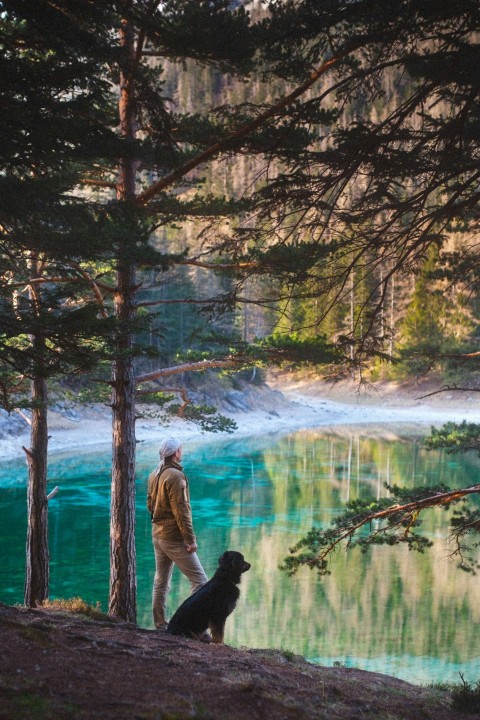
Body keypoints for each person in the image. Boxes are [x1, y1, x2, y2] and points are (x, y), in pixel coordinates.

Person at [147, 437, 208, 630]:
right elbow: (181, 512)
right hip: (173, 538)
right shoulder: (175, 477)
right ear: (175, 453)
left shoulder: (154, 474)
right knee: (201, 582)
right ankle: (190, 627)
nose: (182, 452)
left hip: (157, 535)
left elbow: (150, 504)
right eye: (181, 449)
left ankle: (160, 625)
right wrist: (189, 539)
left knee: (161, 581)